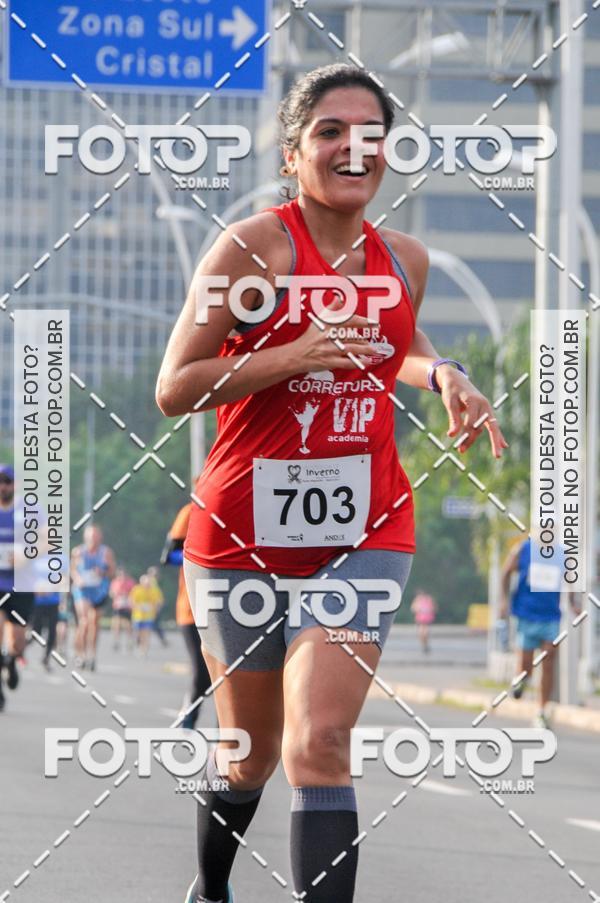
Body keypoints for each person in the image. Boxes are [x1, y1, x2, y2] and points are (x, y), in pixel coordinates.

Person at [156, 63, 507, 903]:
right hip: (240, 533)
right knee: (249, 752)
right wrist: (290, 354)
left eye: (371, 134)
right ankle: (212, 889)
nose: (355, 148)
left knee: (320, 742)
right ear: (292, 153)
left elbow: (398, 343)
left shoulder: (404, 259)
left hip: (363, 529)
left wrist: (444, 372)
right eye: (331, 131)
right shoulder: (252, 249)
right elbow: (174, 387)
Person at [500, 535, 581, 728]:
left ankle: (542, 711)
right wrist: (504, 600)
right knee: (526, 664)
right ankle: (521, 680)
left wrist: (573, 603)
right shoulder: (523, 549)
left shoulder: (562, 554)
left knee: (549, 660)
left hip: (550, 617)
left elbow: (570, 580)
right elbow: (506, 573)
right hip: (526, 615)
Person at [161, 502, 212, 730]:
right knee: (202, 671)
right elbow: (169, 556)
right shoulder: (190, 511)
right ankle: (190, 713)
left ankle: (224, 733)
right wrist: (206, 552)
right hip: (192, 607)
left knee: (229, 675)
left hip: (232, 607)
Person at [0, 464, 37, 710]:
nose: (3, 486)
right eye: (0, 482)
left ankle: (12, 661)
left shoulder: (29, 509)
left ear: (15, 485)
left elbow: (47, 538)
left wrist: (27, 554)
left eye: (7, 482)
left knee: (17, 640)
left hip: (21, 584)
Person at [70, 525, 116, 671]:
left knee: (94, 623)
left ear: (100, 537)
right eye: (90, 536)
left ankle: (92, 655)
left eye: (95, 536)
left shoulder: (106, 552)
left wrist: (102, 572)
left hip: (99, 591)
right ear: (85, 537)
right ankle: (80, 654)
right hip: (82, 590)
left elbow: (112, 572)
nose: (93, 539)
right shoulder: (78, 551)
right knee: (84, 622)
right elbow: (72, 570)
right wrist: (78, 579)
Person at [130, 574, 163, 656]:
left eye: (148, 583)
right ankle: (139, 643)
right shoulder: (136, 589)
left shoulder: (154, 590)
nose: (147, 585)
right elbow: (131, 601)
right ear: (141, 582)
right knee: (139, 633)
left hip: (149, 616)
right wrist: (138, 606)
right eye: (145, 583)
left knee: (146, 633)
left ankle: (144, 650)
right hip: (138, 616)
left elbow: (159, 601)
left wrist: (155, 607)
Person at [109, 567, 135, 651]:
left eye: (123, 574)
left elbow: (134, 592)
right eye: (120, 574)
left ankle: (130, 641)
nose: (122, 576)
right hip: (118, 605)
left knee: (127, 625)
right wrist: (116, 594)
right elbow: (111, 593)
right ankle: (116, 641)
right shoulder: (115, 582)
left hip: (127, 606)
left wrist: (127, 594)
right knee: (116, 624)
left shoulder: (130, 582)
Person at [147, 565, 169, 648]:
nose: (157, 575)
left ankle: (140, 640)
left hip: (154, 606)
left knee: (154, 624)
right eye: (155, 573)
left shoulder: (154, 582)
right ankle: (140, 640)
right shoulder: (150, 582)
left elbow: (158, 595)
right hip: (151, 607)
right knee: (151, 624)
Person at [410, 589, 437, 653]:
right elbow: (413, 609)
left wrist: (428, 610)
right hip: (421, 619)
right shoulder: (418, 600)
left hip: (426, 618)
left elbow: (434, 608)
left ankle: (425, 645)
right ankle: (424, 645)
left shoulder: (428, 599)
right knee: (422, 633)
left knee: (424, 632)